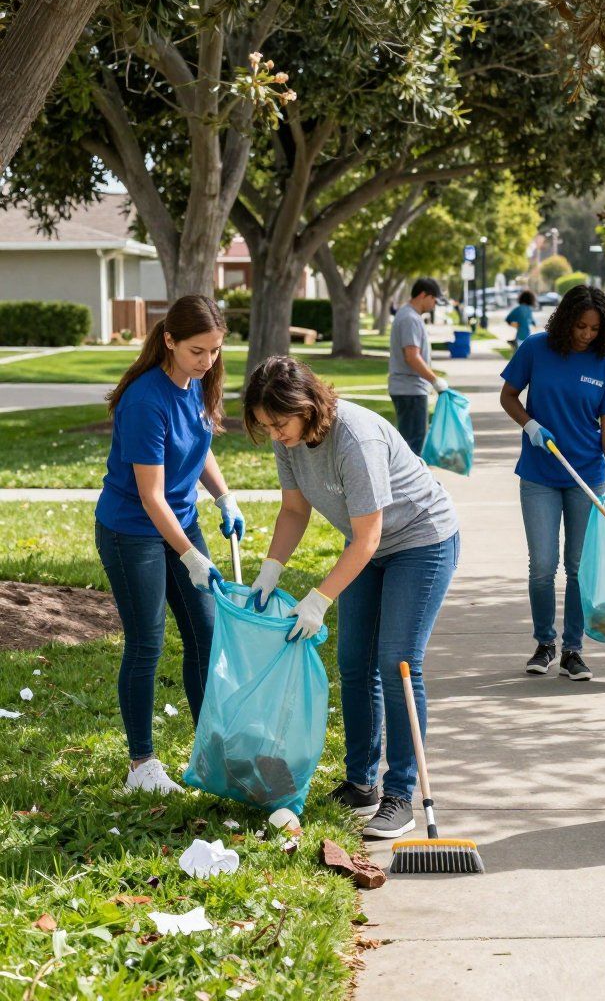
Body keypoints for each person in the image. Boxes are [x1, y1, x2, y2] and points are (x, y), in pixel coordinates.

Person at [243, 356, 459, 840]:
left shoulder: (354, 438)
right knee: (353, 661)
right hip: (369, 544)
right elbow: (295, 509)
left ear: (306, 405)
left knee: (398, 662)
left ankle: (400, 795)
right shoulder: (290, 440)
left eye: (280, 423)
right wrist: (270, 570)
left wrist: (319, 598)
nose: (276, 435)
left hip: (421, 541)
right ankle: (361, 784)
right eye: (266, 427)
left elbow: (368, 537)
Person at [95, 295, 245, 796]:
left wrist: (225, 498)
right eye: (198, 351)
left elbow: (199, 449)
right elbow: (150, 496)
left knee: (206, 633)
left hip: (179, 522)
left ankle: (211, 749)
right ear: (170, 341)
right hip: (131, 530)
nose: (208, 362)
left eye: (216, 351)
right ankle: (141, 765)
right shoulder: (145, 400)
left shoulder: (197, 385)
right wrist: (190, 555)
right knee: (147, 643)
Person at [499, 285, 605, 682]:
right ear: (566, 320)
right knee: (542, 565)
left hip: (585, 476)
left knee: (577, 567)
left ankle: (573, 650)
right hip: (540, 472)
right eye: (580, 326)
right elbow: (508, 396)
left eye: (594, 328)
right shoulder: (536, 348)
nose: (586, 334)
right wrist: (530, 424)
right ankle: (544, 643)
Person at [388, 277, 449, 455]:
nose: (434, 304)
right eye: (434, 299)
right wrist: (435, 380)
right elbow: (412, 356)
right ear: (423, 295)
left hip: (407, 388)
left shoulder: (407, 315)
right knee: (413, 445)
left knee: (411, 441)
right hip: (410, 390)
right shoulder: (410, 318)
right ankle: (407, 482)